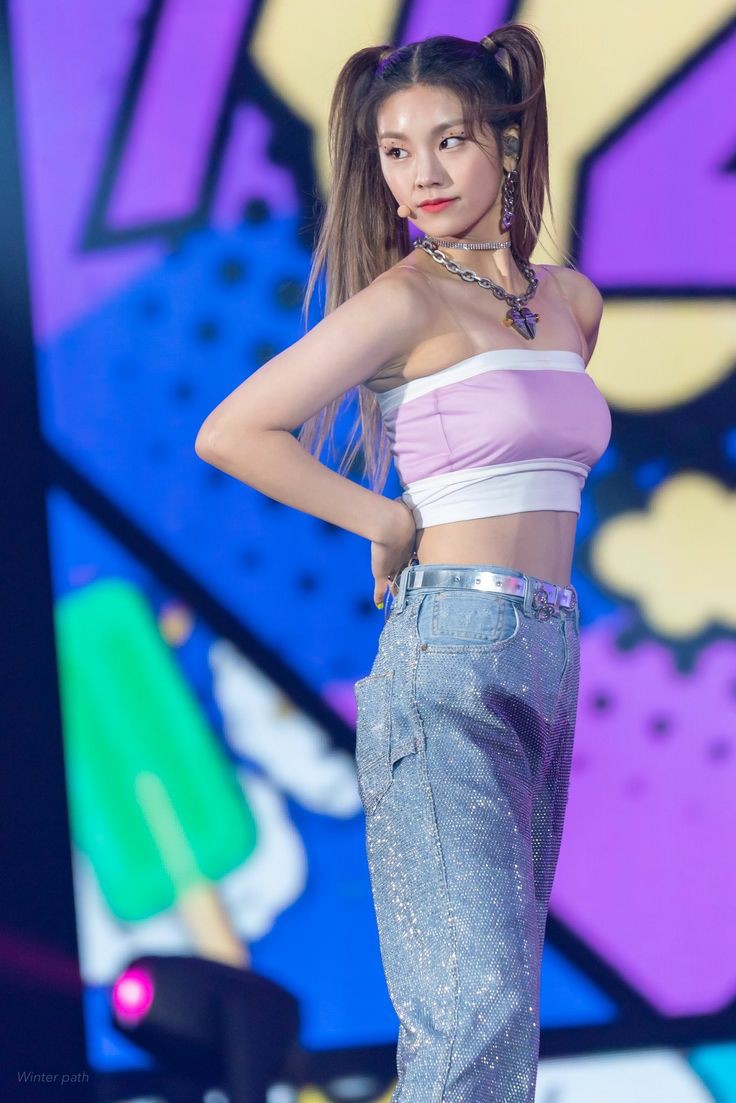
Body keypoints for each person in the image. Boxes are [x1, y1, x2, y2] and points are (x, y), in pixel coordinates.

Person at [195, 22, 611, 1103]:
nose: (420, 174)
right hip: (447, 655)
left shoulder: (570, 302)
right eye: (394, 151)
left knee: (504, 1023)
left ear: (506, 145)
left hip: (548, 651)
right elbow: (233, 430)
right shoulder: (405, 300)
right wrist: (379, 518)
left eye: (448, 141)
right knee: (471, 1010)